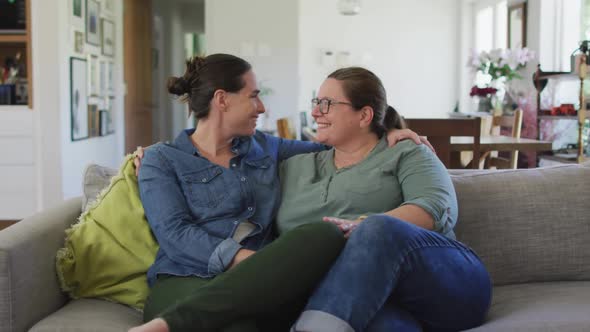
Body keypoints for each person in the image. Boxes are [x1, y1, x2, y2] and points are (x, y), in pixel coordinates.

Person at [130, 54, 429, 332]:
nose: (262, 108)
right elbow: (175, 233)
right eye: (254, 96)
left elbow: (341, 142)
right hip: (187, 276)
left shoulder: (268, 147)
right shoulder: (161, 159)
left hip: (266, 277)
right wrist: (247, 260)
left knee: (322, 234)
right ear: (222, 100)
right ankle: (168, 323)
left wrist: (389, 132)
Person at [278, 67, 491, 332]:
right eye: (316, 102)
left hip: (443, 284)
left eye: (327, 104)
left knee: (378, 227)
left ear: (364, 115)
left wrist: (361, 227)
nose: (315, 112)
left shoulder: (406, 151)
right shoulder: (294, 165)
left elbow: (435, 206)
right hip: (358, 299)